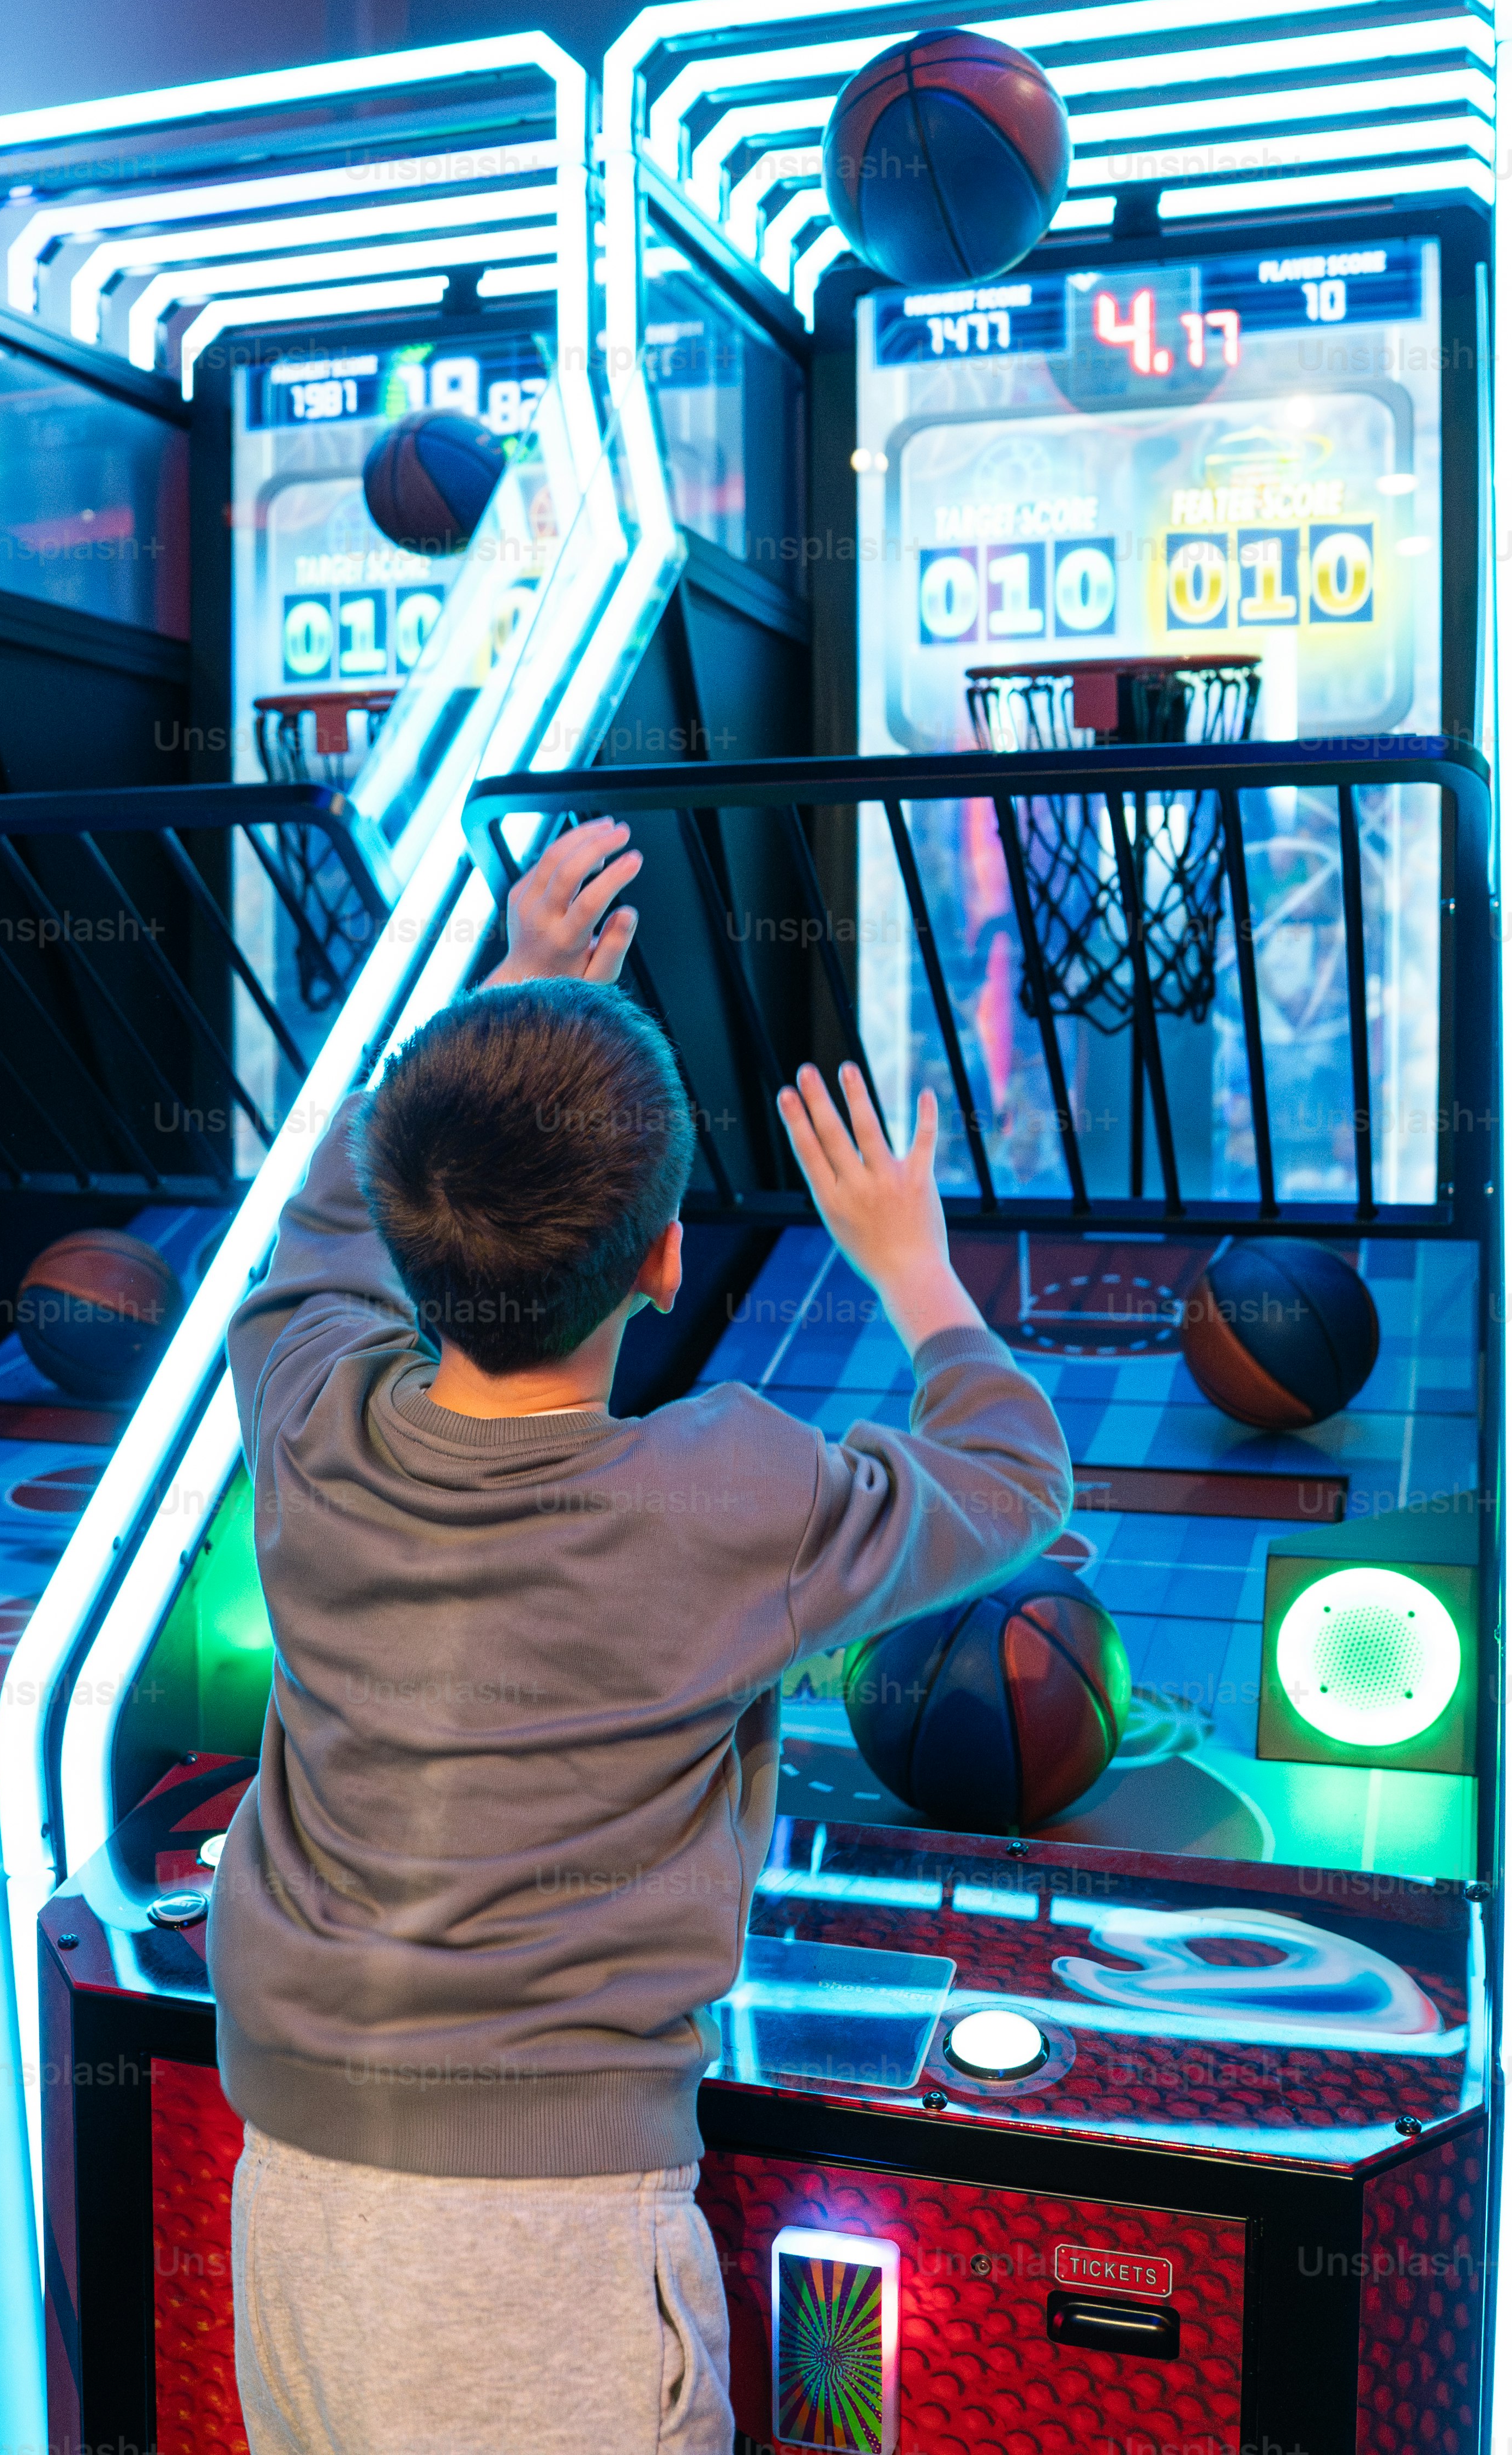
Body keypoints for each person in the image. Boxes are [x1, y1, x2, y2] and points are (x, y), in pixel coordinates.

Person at [211, 818, 1073, 2454]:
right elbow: (1013, 1474)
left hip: (297, 2200)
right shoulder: (723, 1492)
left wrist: (515, 980)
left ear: (408, 1237)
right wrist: (915, 1273)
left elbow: (316, 1235)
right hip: (554, 2236)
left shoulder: (308, 1417)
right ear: (667, 1261)